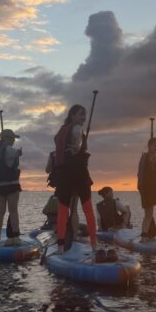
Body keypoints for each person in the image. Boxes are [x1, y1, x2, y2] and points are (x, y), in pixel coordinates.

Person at [51, 104, 98, 253]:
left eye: (84, 115)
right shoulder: (77, 129)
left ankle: (60, 246)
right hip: (78, 173)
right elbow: (77, 145)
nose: (83, 118)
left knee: (63, 209)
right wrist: (80, 146)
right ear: (72, 116)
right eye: (80, 115)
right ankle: (94, 244)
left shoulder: (62, 130)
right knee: (87, 208)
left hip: (64, 174)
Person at [0, 129, 23, 246]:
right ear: (6, 138)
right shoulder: (10, 149)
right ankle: (16, 237)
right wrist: (19, 153)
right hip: (12, 184)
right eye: (11, 138)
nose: (14, 140)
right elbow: (17, 153)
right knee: (13, 211)